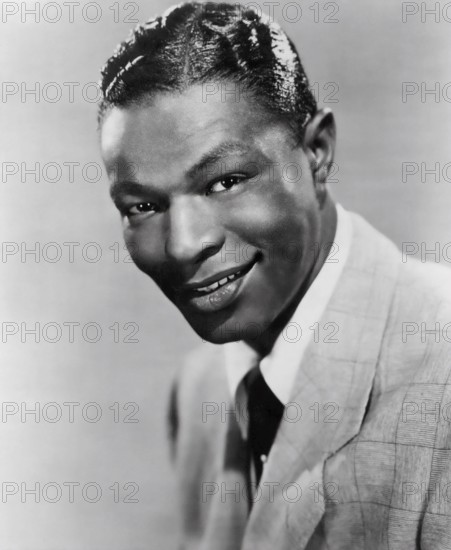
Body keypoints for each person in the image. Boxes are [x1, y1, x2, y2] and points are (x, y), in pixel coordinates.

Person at [97, 3, 451, 548]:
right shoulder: (201, 395)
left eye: (226, 180)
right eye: (142, 207)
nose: (184, 244)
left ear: (317, 152)